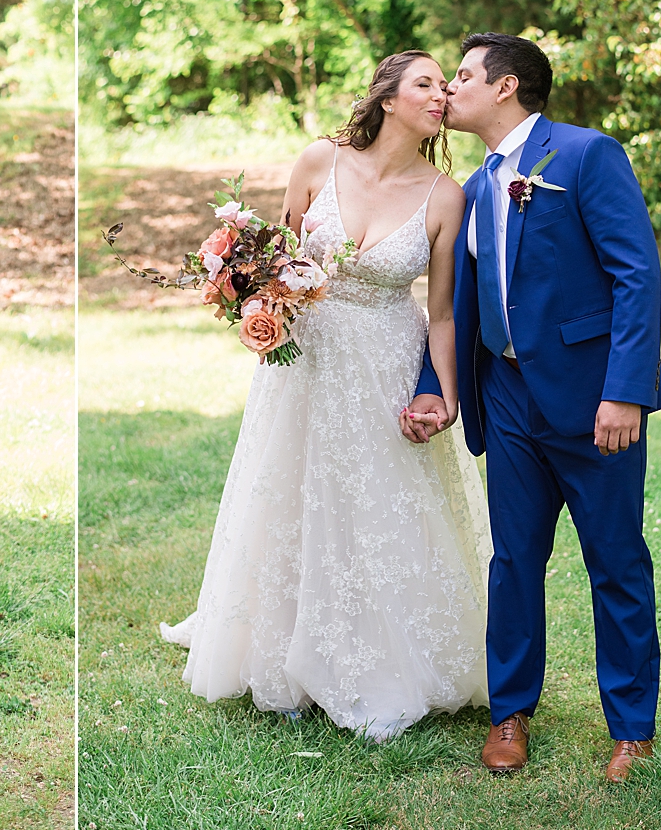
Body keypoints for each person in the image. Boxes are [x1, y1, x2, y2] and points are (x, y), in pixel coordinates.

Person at [160, 50, 492, 741]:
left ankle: (376, 658)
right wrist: (251, 299)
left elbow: (442, 313)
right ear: (389, 96)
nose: (441, 96)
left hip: (386, 361)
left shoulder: (445, 196)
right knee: (290, 493)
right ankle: (279, 656)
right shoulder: (320, 161)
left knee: (375, 504)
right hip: (304, 361)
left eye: (446, 86)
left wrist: (445, 396)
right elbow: (276, 264)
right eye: (426, 84)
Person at [405, 32, 661, 782]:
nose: (448, 89)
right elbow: (451, 302)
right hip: (509, 397)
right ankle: (510, 712)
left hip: (595, 400)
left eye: (461, 75)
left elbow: (636, 276)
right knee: (514, 559)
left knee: (616, 561)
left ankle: (632, 728)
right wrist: (437, 381)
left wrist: (625, 390)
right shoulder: (475, 185)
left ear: (507, 87)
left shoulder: (587, 156)